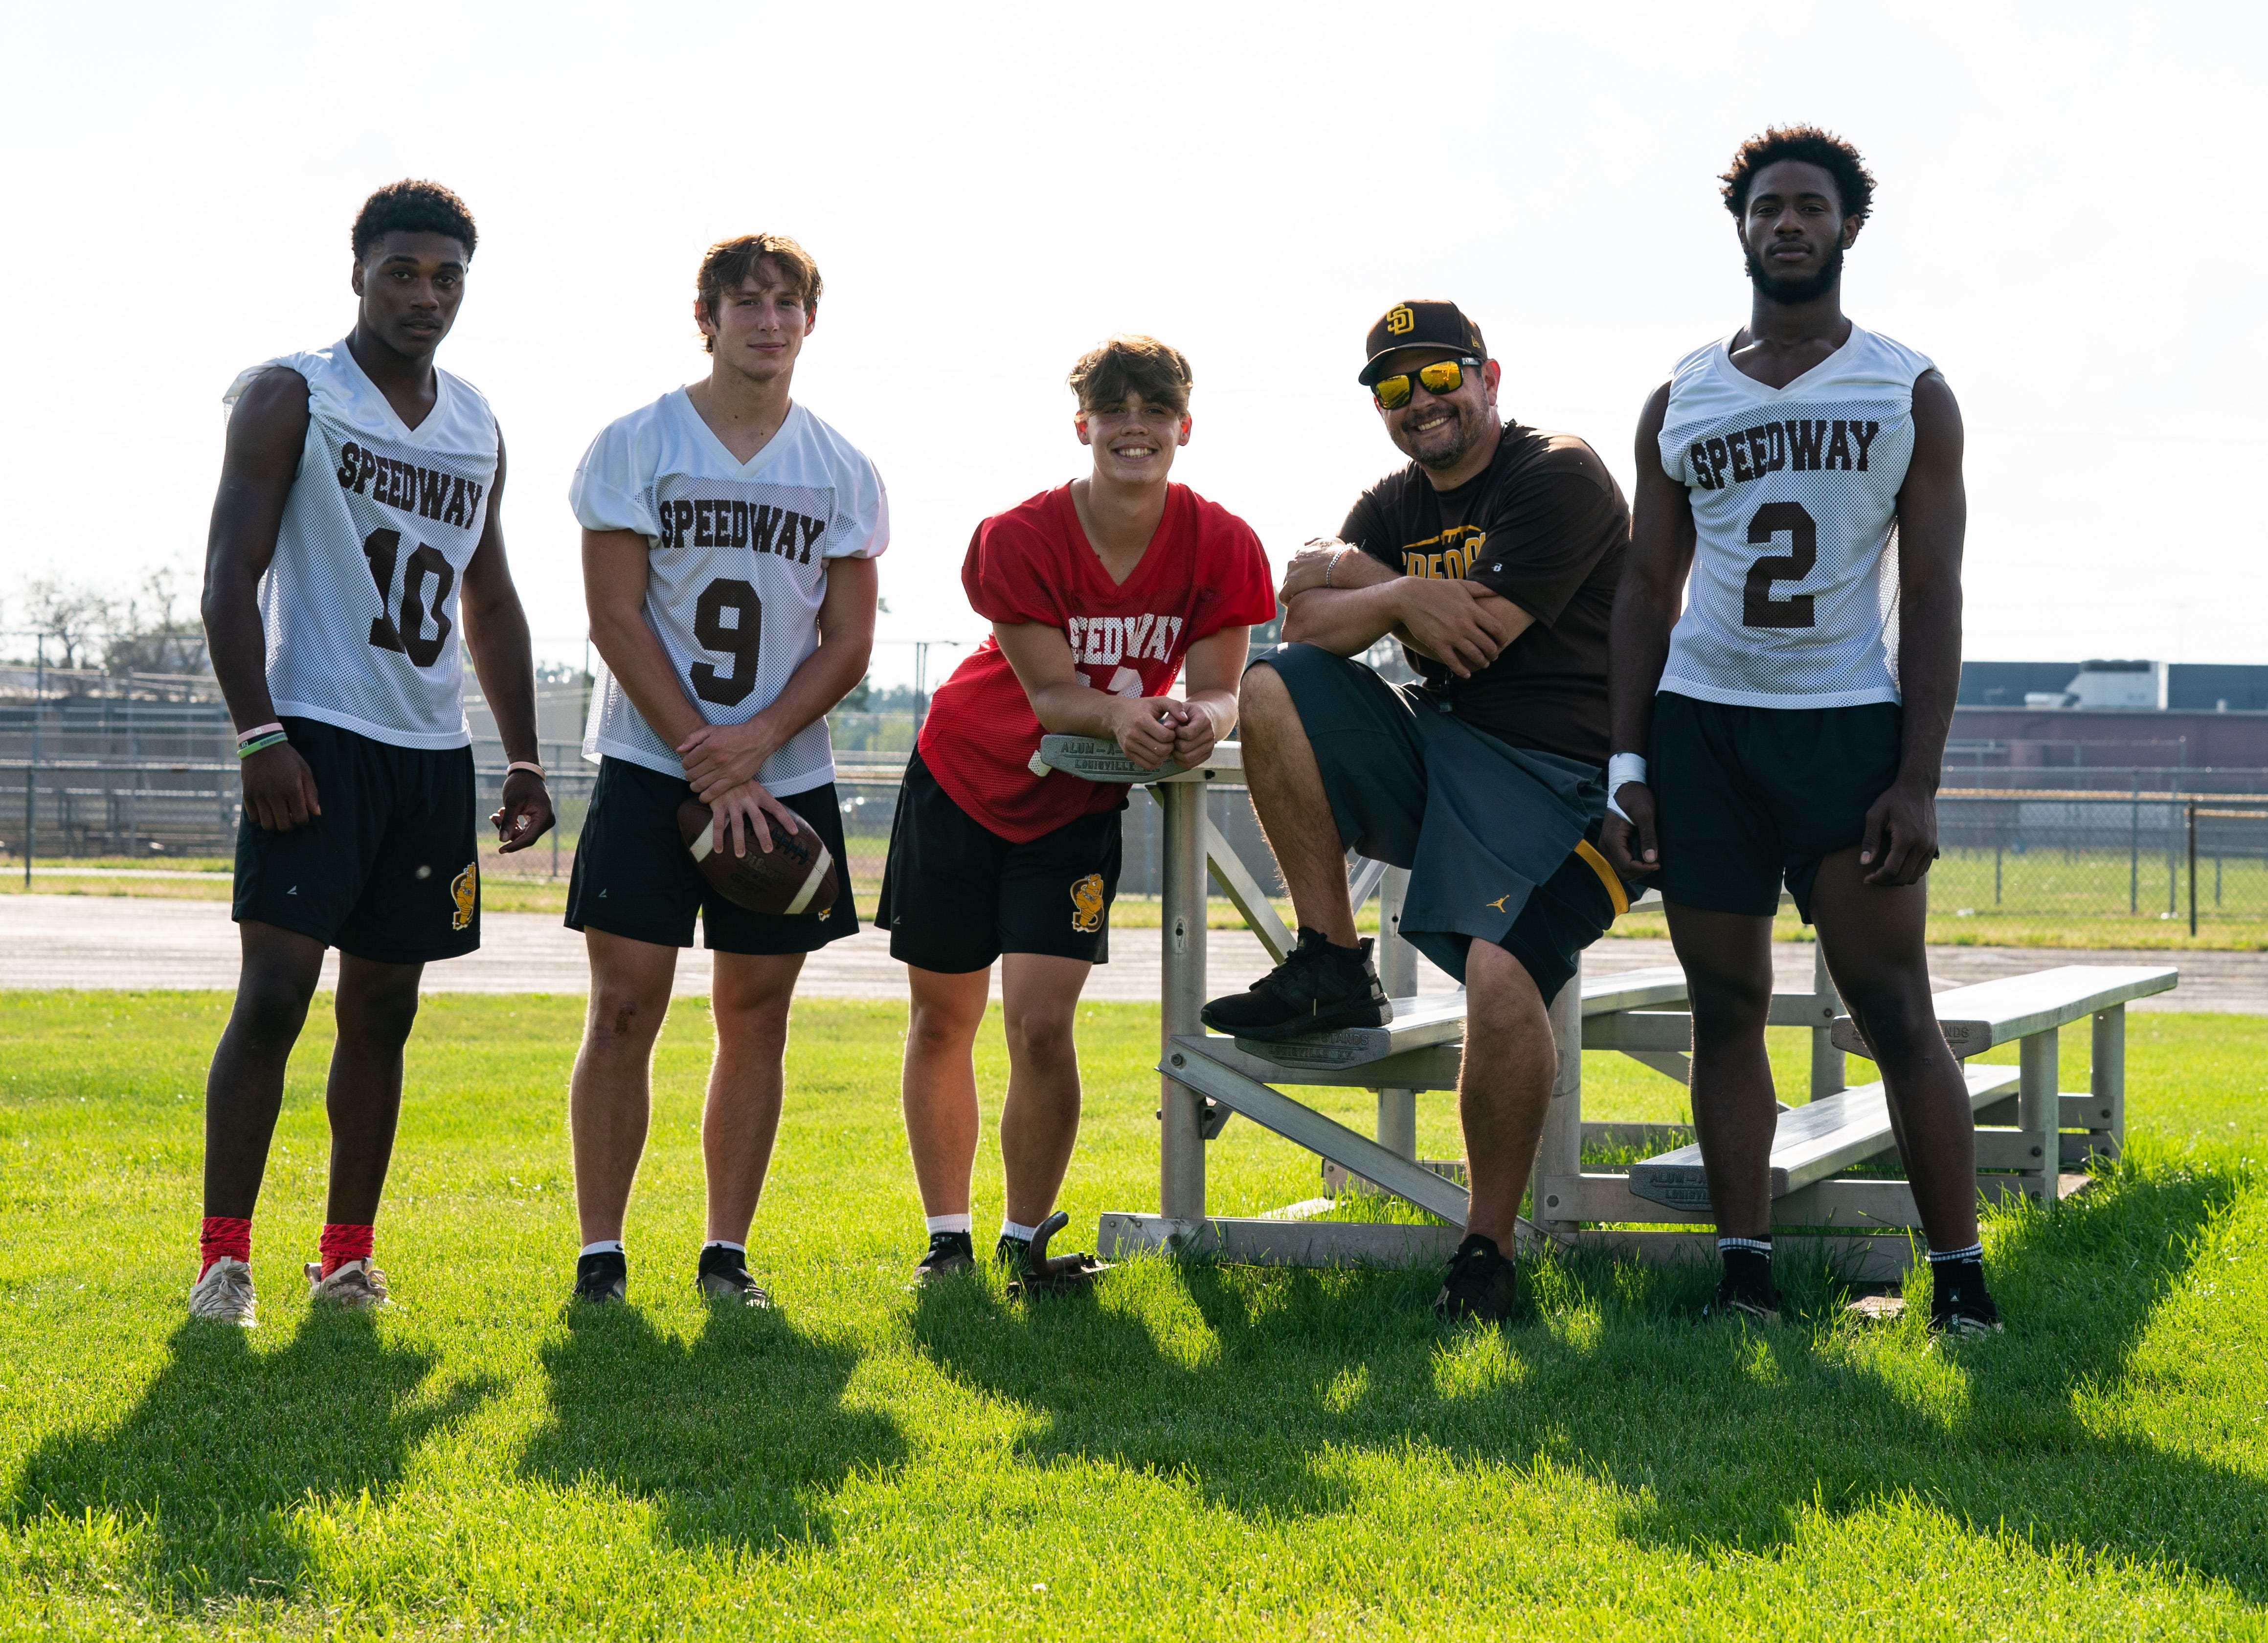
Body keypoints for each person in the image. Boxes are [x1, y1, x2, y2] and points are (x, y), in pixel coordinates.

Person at [1600, 127, 1997, 1334]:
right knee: (1724, 1004)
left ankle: (1959, 1285)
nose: (1787, 223)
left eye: (1809, 207)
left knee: (1892, 1007)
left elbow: (1932, 594)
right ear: (1741, 228)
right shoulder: (1682, 395)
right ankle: (1745, 1276)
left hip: (1844, 728)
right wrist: (1630, 761)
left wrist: (1918, 776)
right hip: (1706, 729)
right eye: (1768, 206)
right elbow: (1643, 590)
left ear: (1846, 229)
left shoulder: (1907, 388)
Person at [1202, 300, 1632, 1323]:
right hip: (1442, 755)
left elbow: (1476, 635)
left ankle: (1485, 1250)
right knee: (1275, 686)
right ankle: (1330, 960)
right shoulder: (1392, 502)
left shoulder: (1556, 472)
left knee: (1500, 971)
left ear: (1489, 375)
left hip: (1567, 781)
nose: (1419, 403)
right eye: (1393, 389)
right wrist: (1394, 595)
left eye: (1439, 377)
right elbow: (1304, 621)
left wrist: (1368, 583)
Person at [192, 180, 555, 1326]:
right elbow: (226, 581)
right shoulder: (292, 393)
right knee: (277, 998)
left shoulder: (476, 423)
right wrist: (261, 733)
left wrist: (526, 759)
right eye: (403, 271)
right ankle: (224, 1260)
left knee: (385, 1012)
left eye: (447, 277)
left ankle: (346, 1258)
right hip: (316, 734)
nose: (425, 296)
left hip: (426, 753)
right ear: (357, 270)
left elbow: (490, 598)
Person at [883, 336, 1274, 1284]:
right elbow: (1056, 695)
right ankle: (947, 1239)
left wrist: (1197, 717)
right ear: (1083, 426)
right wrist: (1127, 711)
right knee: (945, 1020)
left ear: (1184, 426)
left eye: (1153, 408)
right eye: (1114, 408)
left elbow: (1224, 688)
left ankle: (1024, 1240)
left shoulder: (1222, 541)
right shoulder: (1018, 535)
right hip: (967, 776)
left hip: (1074, 805)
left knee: (1042, 1026)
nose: (1133, 426)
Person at [564, 233, 885, 1309]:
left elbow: (848, 643)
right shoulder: (637, 442)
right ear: (705, 319)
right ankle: (601, 1254)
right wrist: (709, 754)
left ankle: (724, 1254)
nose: (767, 320)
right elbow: (614, 617)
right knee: (624, 1006)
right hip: (656, 763)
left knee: (757, 1013)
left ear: (809, 322)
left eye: (786, 303)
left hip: (782, 773)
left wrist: (753, 747)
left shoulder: (840, 467)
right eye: (744, 302)